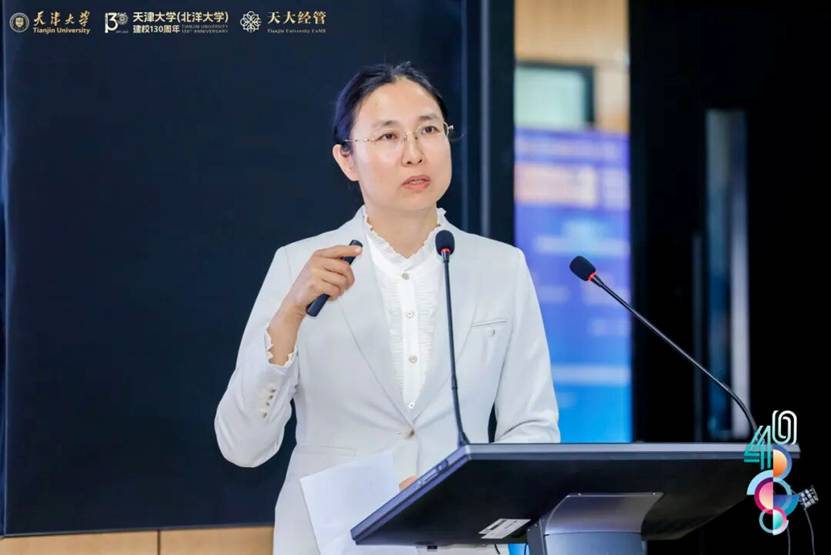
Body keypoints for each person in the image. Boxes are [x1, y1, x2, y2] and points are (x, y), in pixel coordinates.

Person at [215, 61, 560, 554]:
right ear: (347, 160)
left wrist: (470, 500)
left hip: (458, 541)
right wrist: (289, 315)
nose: (414, 153)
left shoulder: (501, 267)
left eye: (428, 130)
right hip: (334, 543)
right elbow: (242, 446)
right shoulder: (299, 265)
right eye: (388, 136)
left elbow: (532, 429)